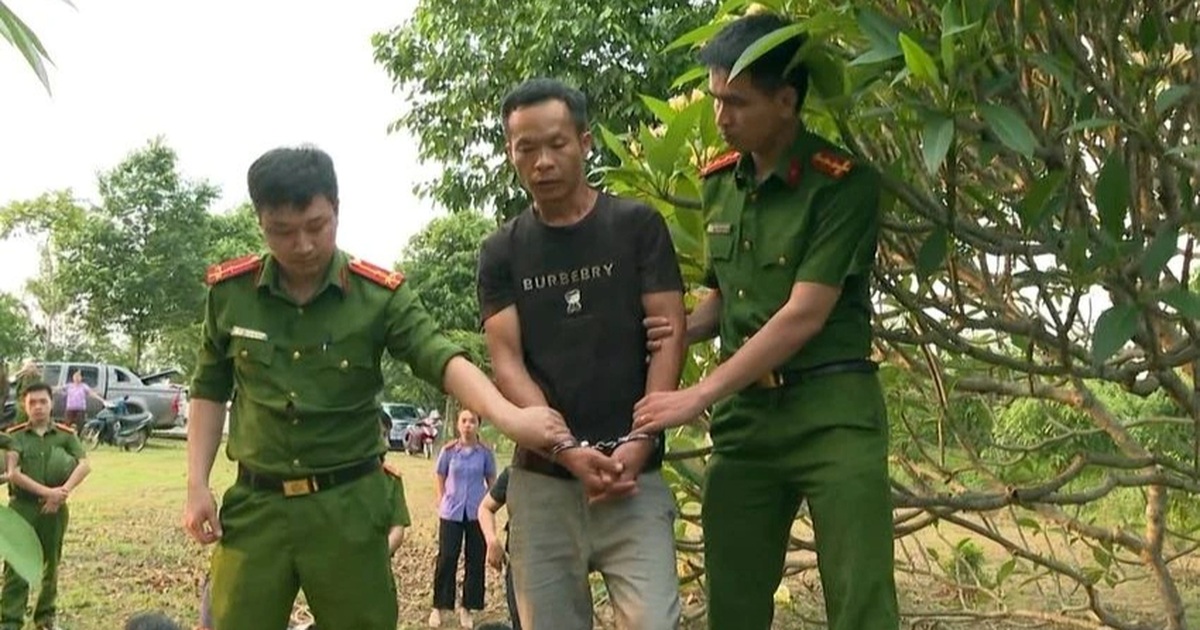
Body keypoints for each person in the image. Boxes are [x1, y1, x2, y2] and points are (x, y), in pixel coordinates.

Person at [180, 145, 618, 630]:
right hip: (256, 507)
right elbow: (209, 388)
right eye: (282, 231)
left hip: (348, 508)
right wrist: (197, 483)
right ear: (261, 223)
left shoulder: (377, 297)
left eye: (316, 226)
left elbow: (441, 359)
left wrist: (510, 417)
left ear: (337, 210)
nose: (302, 245)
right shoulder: (230, 295)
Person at [635, 13, 901, 630]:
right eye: (715, 99)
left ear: (786, 101)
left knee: (861, 602)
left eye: (737, 103)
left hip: (833, 414)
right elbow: (724, 297)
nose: (721, 117)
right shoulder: (720, 183)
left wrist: (698, 393)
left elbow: (803, 315)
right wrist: (679, 330)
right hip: (748, 423)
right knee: (734, 604)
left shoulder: (842, 185)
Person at [477, 78, 688, 630]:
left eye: (556, 144)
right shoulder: (501, 252)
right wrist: (566, 448)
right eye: (526, 148)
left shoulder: (637, 227)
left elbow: (670, 334)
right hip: (542, 482)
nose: (542, 162)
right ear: (510, 152)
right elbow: (507, 363)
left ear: (585, 142)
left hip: (633, 477)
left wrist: (642, 439)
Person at [1, 382, 92, 630]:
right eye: (32, 402)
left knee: (51, 564)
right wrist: (48, 493)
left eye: (43, 401)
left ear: (52, 404)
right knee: (15, 566)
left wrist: (62, 493)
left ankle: (45, 618)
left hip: (55, 510)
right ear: (24, 406)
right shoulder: (15, 436)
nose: (38, 407)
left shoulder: (65, 435)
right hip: (23, 508)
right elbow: (14, 472)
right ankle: (10, 620)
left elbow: (84, 465)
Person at [430, 409, 495, 628]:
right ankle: (439, 606)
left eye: (472, 421)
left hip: (477, 513)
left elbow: (491, 480)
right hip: (451, 512)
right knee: (447, 557)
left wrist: (491, 506)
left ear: (478, 425)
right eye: (464, 421)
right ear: (458, 424)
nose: (468, 425)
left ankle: (467, 607)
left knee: (475, 559)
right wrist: (441, 498)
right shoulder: (449, 451)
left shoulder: (485, 453)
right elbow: (440, 474)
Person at [478, 465, 520, 630]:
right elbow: (485, 508)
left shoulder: (569, 473)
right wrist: (492, 540)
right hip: (519, 568)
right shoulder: (514, 474)